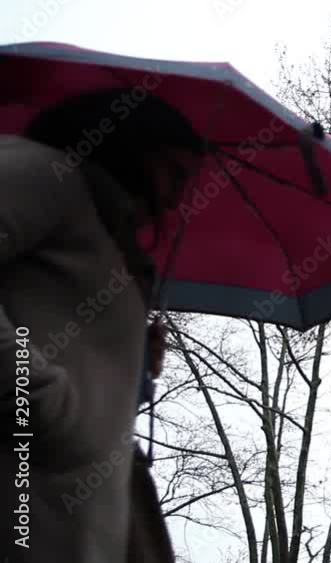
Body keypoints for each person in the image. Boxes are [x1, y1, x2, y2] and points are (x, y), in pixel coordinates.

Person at [0, 90, 203, 563]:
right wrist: (36, 400)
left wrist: (136, 367)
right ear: (133, 146)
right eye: (174, 173)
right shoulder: (45, 175)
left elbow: (73, 358)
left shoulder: (112, 244)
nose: (177, 198)